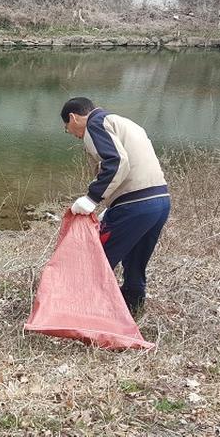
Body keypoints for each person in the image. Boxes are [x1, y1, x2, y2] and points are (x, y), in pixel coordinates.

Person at [60, 97, 170, 317]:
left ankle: (81, 313)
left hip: (134, 205)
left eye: (68, 129)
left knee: (96, 258)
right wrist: (110, 204)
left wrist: (92, 198)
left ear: (73, 118)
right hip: (160, 202)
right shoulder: (124, 122)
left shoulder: (96, 123)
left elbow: (117, 161)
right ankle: (132, 308)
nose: (73, 134)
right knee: (135, 260)